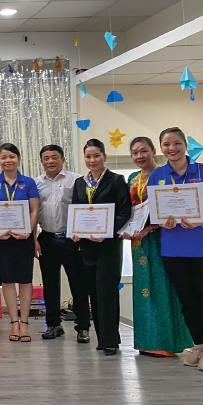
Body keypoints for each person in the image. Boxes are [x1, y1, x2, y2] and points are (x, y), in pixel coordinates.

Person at [148, 127, 203, 372]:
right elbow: (155, 210)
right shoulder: (158, 175)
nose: (171, 149)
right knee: (187, 300)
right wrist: (162, 222)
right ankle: (198, 345)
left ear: (185, 145)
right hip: (173, 249)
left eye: (176, 143)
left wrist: (202, 219)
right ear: (161, 148)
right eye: (166, 144)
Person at [122, 137, 192, 356]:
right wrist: (126, 228)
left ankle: (166, 343)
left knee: (162, 287)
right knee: (143, 288)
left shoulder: (164, 175)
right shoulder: (132, 178)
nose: (139, 156)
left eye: (144, 151)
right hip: (138, 241)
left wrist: (150, 227)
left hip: (163, 236)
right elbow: (129, 209)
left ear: (154, 151)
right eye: (135, 152)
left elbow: (171, 206)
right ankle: (147, 342)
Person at [70, 139, 132, 356]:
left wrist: (107, 232)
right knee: (94, 292)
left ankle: (111, 340)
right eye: (88, 156)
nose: (92, 160)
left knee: (107, 291)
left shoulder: (116, 180)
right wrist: (75, 230)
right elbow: (76, 209)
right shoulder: (80, 183)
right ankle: (102, 338)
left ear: (104, 156)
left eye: (96, 155)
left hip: (108, 244)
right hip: (87, 245)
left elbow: (125, 211)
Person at [34, 145, 91, 343]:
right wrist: (34, 239)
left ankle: (83, 327)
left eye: (54, 157)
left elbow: (84, 208)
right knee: (50, 284)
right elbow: (32, 212)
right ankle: (53, 324)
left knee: (78, 283)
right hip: (47, 238)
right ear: (42, 161)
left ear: (63, 159)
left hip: (72, 238)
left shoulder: (76, 180)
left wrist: (81, 234)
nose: (50, 161)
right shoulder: (36, 183)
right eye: (46, 158)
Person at [0, 143, 39, 343]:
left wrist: (28, 232)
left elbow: (34, 210)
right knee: (7, 281)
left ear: (18, 159)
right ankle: (14, 322)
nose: (8, 160)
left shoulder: (29, 182)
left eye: (11, 157)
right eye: (4, 157)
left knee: (25, 280)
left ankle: (24, 323)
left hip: (23, 239)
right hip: (1, 240)